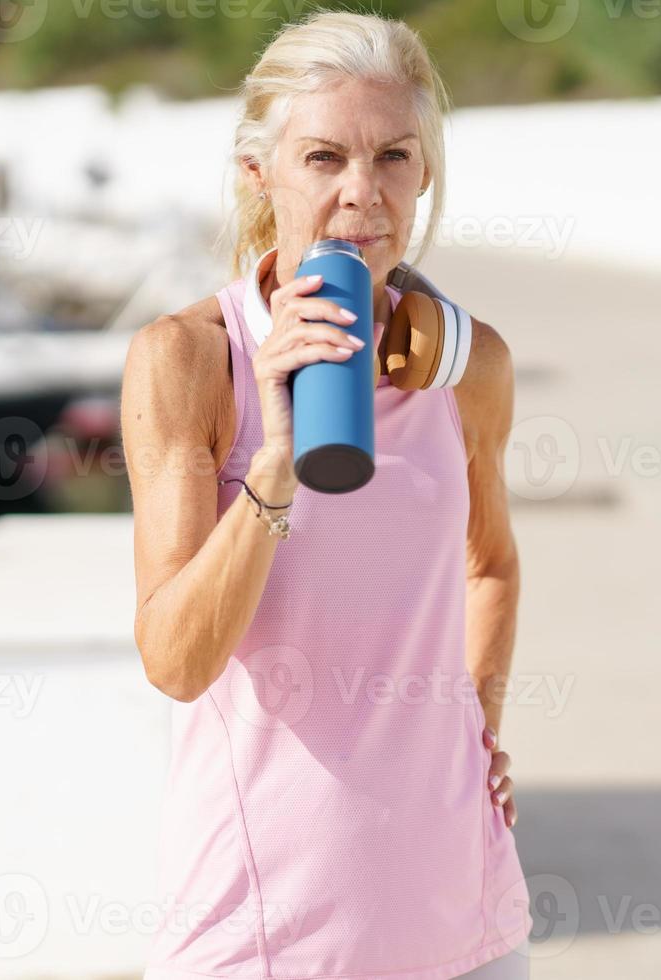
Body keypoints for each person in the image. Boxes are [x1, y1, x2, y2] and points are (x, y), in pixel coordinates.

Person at [121, 10, 533, 979]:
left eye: (394, 155)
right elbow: (176, 661)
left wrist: (478, 732)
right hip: (265, 934)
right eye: (323, 157)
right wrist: (276, 460)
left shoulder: (470, 367)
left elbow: (493, 563)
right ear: (259, 173)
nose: (363, 194)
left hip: (465, 917)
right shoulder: (190, 359)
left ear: (425, 168)